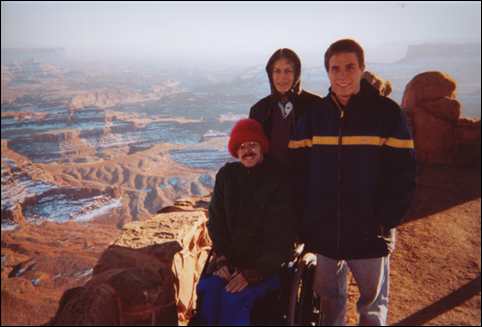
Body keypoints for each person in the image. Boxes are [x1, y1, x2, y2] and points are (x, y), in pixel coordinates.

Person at [288, 39, 416, 325]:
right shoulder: (314, 116)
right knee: (329, 301)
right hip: (325, 229)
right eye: (335, 68)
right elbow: (298, 175)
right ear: (327, 72)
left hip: (369, 230)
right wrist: (306, 220)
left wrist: (386, 221)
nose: (342, 75)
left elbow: (404, 174)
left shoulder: (387, 114)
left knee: (371, 305)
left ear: (362, 69)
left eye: (350, 67)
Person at [196, 118, 296, 325]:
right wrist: (222, 260)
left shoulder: (278, 178)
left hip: (267, 268)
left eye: (253, 145)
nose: (247, 150)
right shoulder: (227, 176)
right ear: (235, 151)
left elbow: (283, 234)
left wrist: (254, 273)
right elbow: (216, 221)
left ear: (262, 147)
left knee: (233, 298)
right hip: (231, 264)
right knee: (209, 289)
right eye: (242, 146)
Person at [249, 48, 323, 170]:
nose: (282, 77)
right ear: (270, 74)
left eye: (288, 71)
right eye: (277, 71)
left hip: (306, 183)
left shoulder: (315, 106)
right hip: (270, 184)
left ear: (296, 74)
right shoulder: (258, 110)